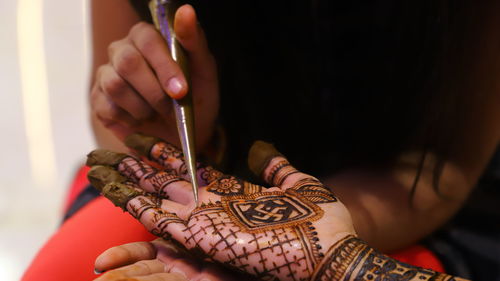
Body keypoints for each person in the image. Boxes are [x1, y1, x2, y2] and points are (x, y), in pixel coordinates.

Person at [22, 0, 500, 280]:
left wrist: (327, 256)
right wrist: (159, 131)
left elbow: (444, 162)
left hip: (414, 196)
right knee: (72, 265)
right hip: (193, 181)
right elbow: (109, 121)